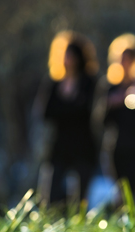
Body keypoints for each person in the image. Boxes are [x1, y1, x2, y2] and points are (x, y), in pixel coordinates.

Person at [43, 34, 99, 205]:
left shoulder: (90, 83)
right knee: (51, 195)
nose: (68, 60)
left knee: (81, 197)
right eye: (65, 55)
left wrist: (65, 110)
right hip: (59, 145)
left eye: (72, 55)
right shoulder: (54, 83)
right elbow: (45, 113)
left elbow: (91, 112)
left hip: (83, 144)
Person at [103, 34, 135, 197]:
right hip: (117, 146)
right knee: (120, 190)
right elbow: (101, 121)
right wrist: (112, 104)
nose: (125, 63)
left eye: (129, 58)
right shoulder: (109, 87)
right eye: (121, 59)